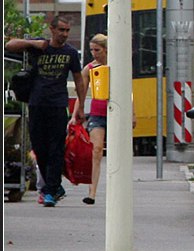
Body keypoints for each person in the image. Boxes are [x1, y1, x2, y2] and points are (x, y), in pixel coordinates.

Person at [4, 14, 85, 207]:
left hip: (58, 104)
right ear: (52, 29)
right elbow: (9, 45)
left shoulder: (70, 53)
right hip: (37, 103)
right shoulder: (40, 46)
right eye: (61, 30)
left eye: (67, 31)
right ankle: (54, 186)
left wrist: (80, 106)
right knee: (40, 147)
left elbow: (79, 79)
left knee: (56, 147)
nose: (64, 34)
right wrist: (33, 44)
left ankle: (50, 190)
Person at [75, 34, 134, 205]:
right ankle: (92, 193)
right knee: (96, 150)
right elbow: (81, 92)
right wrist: (76, 113)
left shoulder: (118, 66)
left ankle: (120, 190)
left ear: (107, 50)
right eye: (92, 50)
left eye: (97, 50)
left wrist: (133, 113)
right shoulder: (90, 68)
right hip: (98, 112)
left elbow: (129, 91)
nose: (94, 53)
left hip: (118, 111)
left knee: (120, 153)